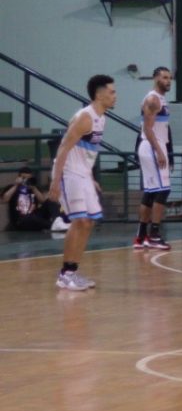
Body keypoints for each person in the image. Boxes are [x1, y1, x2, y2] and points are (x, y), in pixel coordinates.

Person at [47, 74, 115, 290]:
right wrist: (55, 181)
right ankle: (64, 275)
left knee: (88, 222)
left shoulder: (101, 118)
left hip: (83, 174)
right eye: (112, 92)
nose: (115, 96)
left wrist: (91, 177)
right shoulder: (85, 117)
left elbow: (86, 152)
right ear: (99, 95)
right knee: (79, 221)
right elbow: (63, 148)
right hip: (69, 173)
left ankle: (73, 271)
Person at [133, 66, 171, 250]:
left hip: (154, 145)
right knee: (163, 190)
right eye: (164, 77)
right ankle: (154, 234)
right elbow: (148, 129)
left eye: (169, 78)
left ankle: (141, 236)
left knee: (150, 192)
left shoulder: (160, 99)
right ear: (155, 78)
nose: (168, 81)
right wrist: (160, 151)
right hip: (152, 146)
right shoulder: (153, 99)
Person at [2, 166, 58, 231]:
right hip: (20, 220)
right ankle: (53, 225)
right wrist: (16, 185)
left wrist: (34, 188)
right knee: (30, 218)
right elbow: (4, 199)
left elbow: (42, 201)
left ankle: (58, 221)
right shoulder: (11, 187)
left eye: (28, 178)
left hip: (35, 216)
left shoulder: (33, 187)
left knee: (50, 201)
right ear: (18, 178)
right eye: (24, 178)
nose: (26, 180)